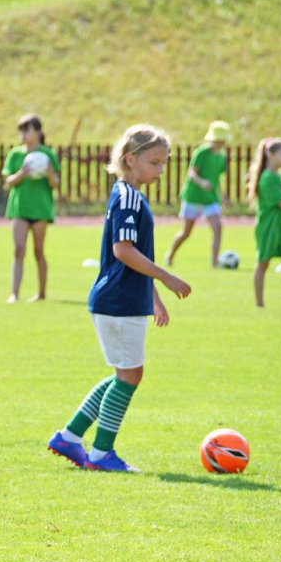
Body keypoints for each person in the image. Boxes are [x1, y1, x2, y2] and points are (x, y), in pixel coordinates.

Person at [47, 124, 191, 473]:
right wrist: (166, 276)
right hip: (118, 301)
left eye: (164, 163)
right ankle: (101, 453)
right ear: (131, 158)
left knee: (124, 374)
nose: (160, 170)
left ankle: (70, 436)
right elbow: (123, 250)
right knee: (129, 375)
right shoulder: (127, 196)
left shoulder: (131, 195)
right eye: (155, 162)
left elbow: (135, 252)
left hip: (124, 299)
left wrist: (153, 295)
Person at [1, 114, 61, 303]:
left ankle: (41, 293)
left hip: (40, 209)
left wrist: (50, 173)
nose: (24, 134)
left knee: (38, 250)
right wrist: (21, 174)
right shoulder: (16, 154)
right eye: (22, 130)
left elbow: (55, 184)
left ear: (38, 132)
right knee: (18, 250)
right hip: (20, 208)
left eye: (27, 130)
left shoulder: (47, 155)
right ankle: (14, 294)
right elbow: (8, 181)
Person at [165, 121, 231, 268]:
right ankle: (170, 255)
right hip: (193, 197)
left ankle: (214, 262)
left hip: (210, 199)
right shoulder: (201, 153)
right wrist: (201, 182)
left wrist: (223, 196)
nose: (220, 144)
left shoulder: (221, 157)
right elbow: (191, 173)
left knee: (217, 228)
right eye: (218, 140)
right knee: (186, 232)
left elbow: (217, 179)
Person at [248, 138, 281, 308]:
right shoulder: (267, 178)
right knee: (263, 263)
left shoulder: (279, 176)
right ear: (270, 155)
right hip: (268, 226)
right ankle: (259, 304)